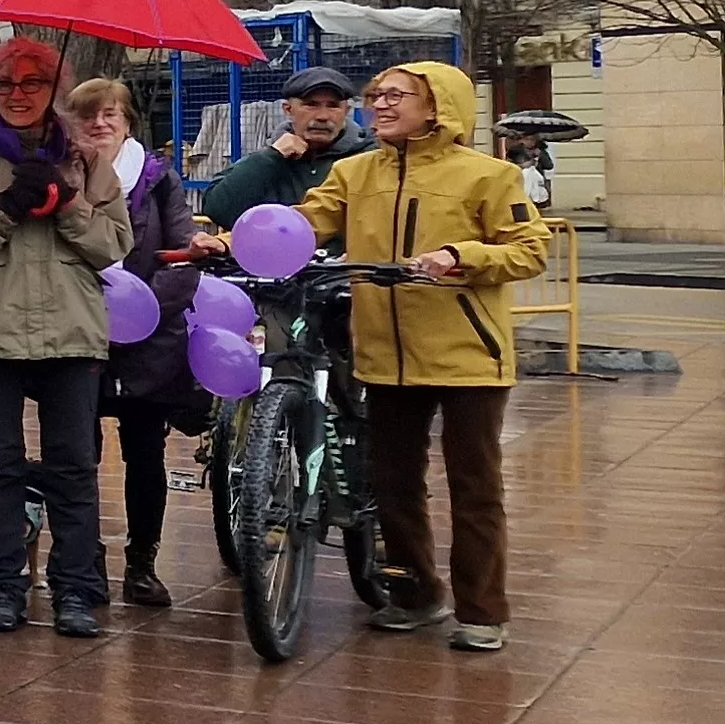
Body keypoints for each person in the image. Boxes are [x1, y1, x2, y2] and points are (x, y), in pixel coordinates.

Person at [294, 61, 549, 653]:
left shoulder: (489, 176)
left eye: (395, 96)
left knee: (475, 485)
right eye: (376, 95)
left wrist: (460, 256)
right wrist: (228, 239)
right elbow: (302, 225)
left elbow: (529, 250)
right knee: (394, 483)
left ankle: (483, 611)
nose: (379, 104)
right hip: (386, 357)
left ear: (437, 106)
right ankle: (415, 596)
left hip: (469, 358)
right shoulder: (353, 173)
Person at [0, 38, 130, 638]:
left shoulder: (89, 163)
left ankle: (75, 587)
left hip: (71, 331)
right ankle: (2, 585)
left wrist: (65, 201)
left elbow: (112, 245)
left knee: (73, 465)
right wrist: (7, 208)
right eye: (6, 85)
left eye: (33, 83)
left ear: (53, 92)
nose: (19, 95)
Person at [67, 77, 201, 609]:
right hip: (78, 334)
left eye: (111, 115)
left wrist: (142, 312)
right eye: (88, 116)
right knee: (77, 454)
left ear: (127, 123)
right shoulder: (60, 176)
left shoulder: (157, 178)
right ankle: (85, 559)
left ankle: (142, 563)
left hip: (148, 342)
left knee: (145, 453)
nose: (100, 124)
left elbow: (185, 251)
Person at [198, 67, 367, 225]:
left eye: (333, 106)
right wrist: (272, 156)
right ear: (288, 110)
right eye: (311, 104)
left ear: (346, 111)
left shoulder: (368, 156)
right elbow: (218, 210)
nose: (323, 116)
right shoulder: (268, 160)